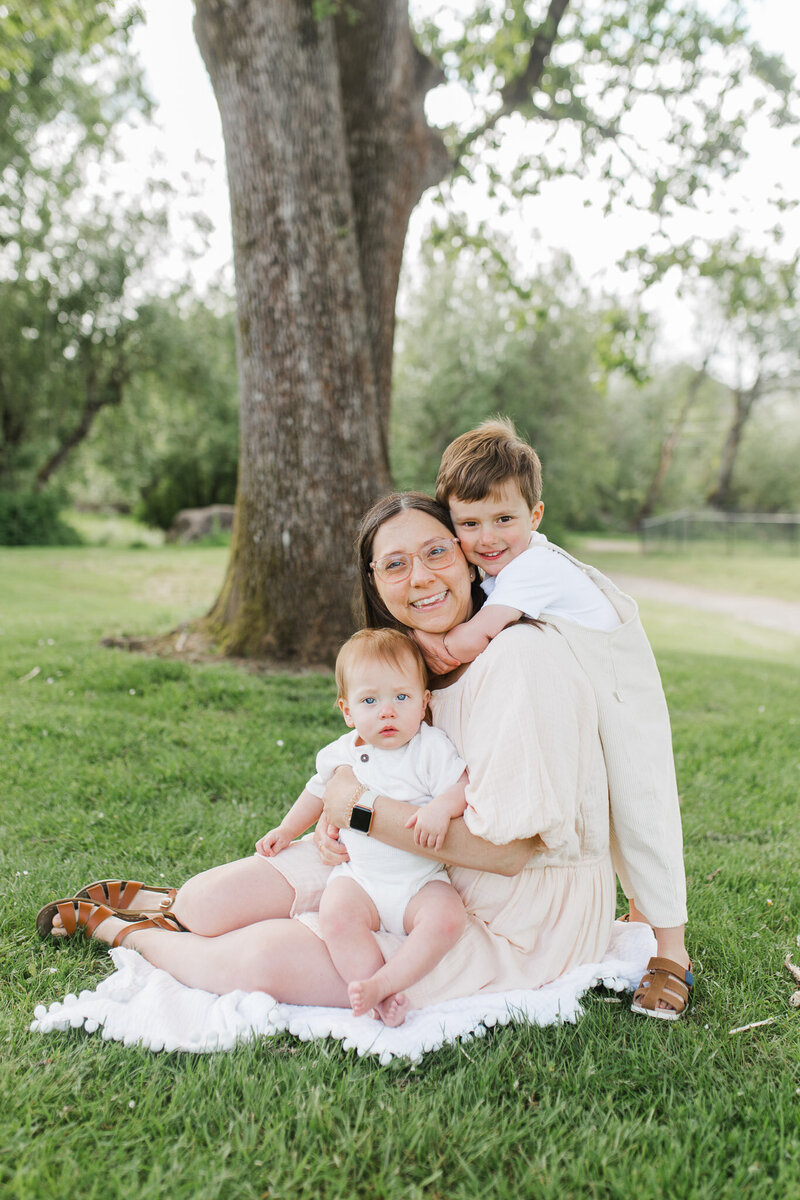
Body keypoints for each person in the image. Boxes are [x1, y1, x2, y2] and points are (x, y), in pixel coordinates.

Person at [36, 492, 615, 1018]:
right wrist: (342, 824)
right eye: (394, 564)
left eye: (436, 551)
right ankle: (173, 905)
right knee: (208, 902)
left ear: (468, 557)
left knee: (260, 959)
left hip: (511, 915)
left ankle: (124, 932)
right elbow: (370, 773)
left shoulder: (518, 660)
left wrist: (356, 811)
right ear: (375, 581)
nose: (419, 577)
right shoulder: (410, 661)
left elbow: (511, 853)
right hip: (399, 863)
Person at [410, 418, 691, 1020]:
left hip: (619, 695)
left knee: (642, 813)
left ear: (535, 516)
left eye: (504, 519)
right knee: (603, 812)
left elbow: (468, 641)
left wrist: (410, 637)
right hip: (581, 694)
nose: (487, 538)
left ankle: (672, 955)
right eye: (470, 523)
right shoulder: (497, 570)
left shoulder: (533, 567)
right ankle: (640, 921)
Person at [255, 627, 469, 1025]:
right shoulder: (344, 751)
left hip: (419, 880)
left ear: (424, 703)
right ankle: (374, 990)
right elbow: (316, 793)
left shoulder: (429, 748)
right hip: (361, 879)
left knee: (447, 918)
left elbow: (461, 785)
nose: (387, 711)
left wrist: (441, 808)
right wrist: (286, 830)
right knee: (336, 916)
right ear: (347, 710)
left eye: (401, 698)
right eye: (370, 700)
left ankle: (388, 982)